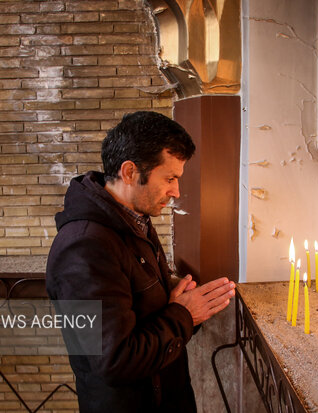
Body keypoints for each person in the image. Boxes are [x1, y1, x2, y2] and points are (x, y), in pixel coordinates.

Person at [46, 111, 236, 413]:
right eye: (170, 178)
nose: (176, 191)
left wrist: (180, 303)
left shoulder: (133, 220)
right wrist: (184, 315)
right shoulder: (84, 247)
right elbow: (114, 360)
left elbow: (144, 312)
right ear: (130, 172)